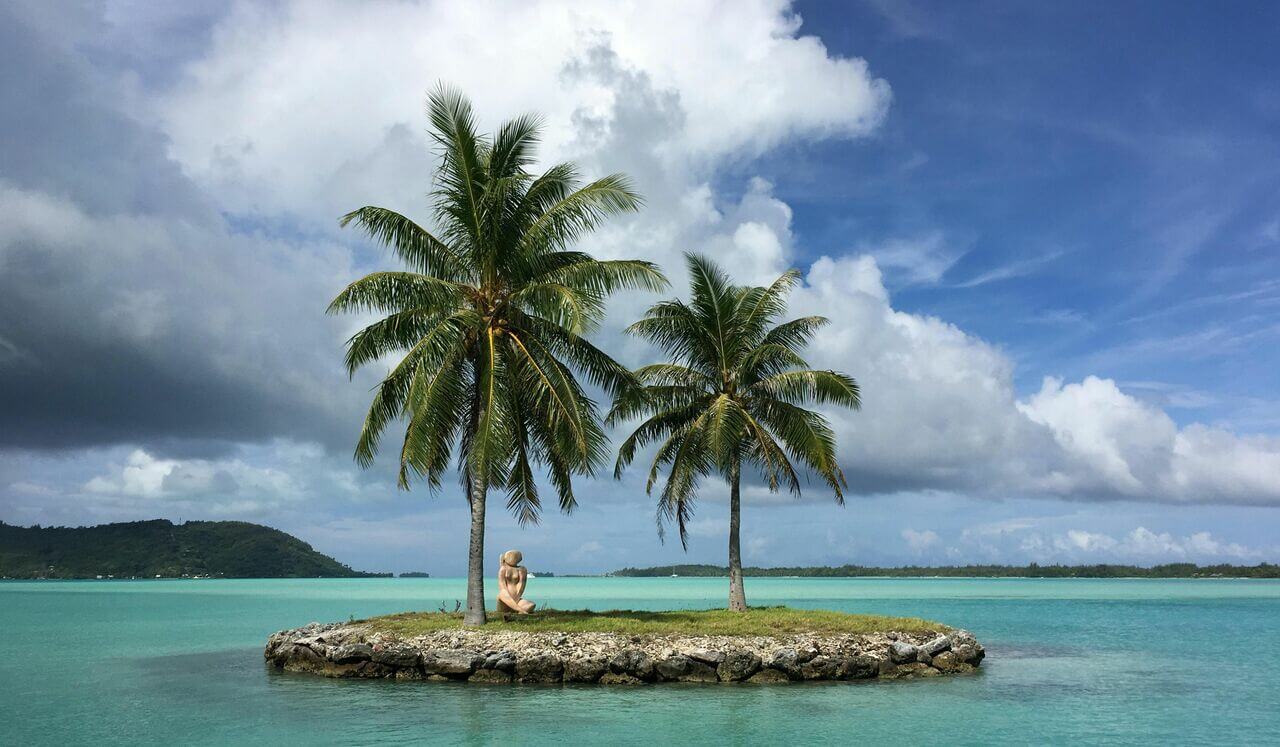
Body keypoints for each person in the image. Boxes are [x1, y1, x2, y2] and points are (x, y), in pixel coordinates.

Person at [497, 549, 536, 615]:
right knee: (502, 594)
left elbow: (522, 585)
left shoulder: (522, 569)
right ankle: (520, 610)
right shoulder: (503, 569)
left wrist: (516, 599)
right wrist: (510, 599)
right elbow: (502, 586)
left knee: (531, 605)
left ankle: (516, 609)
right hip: (505, 601)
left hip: (516, 600)